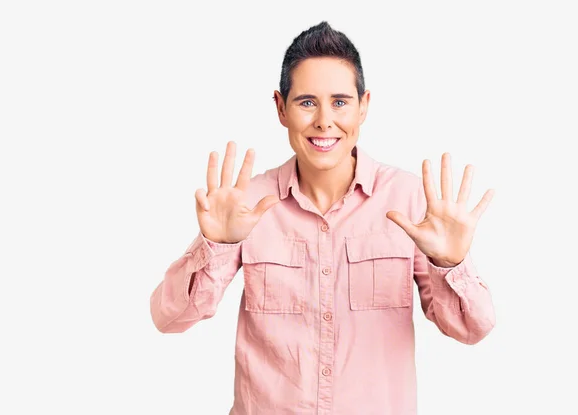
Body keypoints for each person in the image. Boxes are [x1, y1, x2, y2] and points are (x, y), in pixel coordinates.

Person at [150, 21, 496, 415]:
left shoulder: (409, 201)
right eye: (307, 102)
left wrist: (451, 264)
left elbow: (473, 329)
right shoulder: (247, 203)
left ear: (364, 106)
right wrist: (215, 245)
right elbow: (168, 317)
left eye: (340, 102)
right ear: (281, 108)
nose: (324, 121)